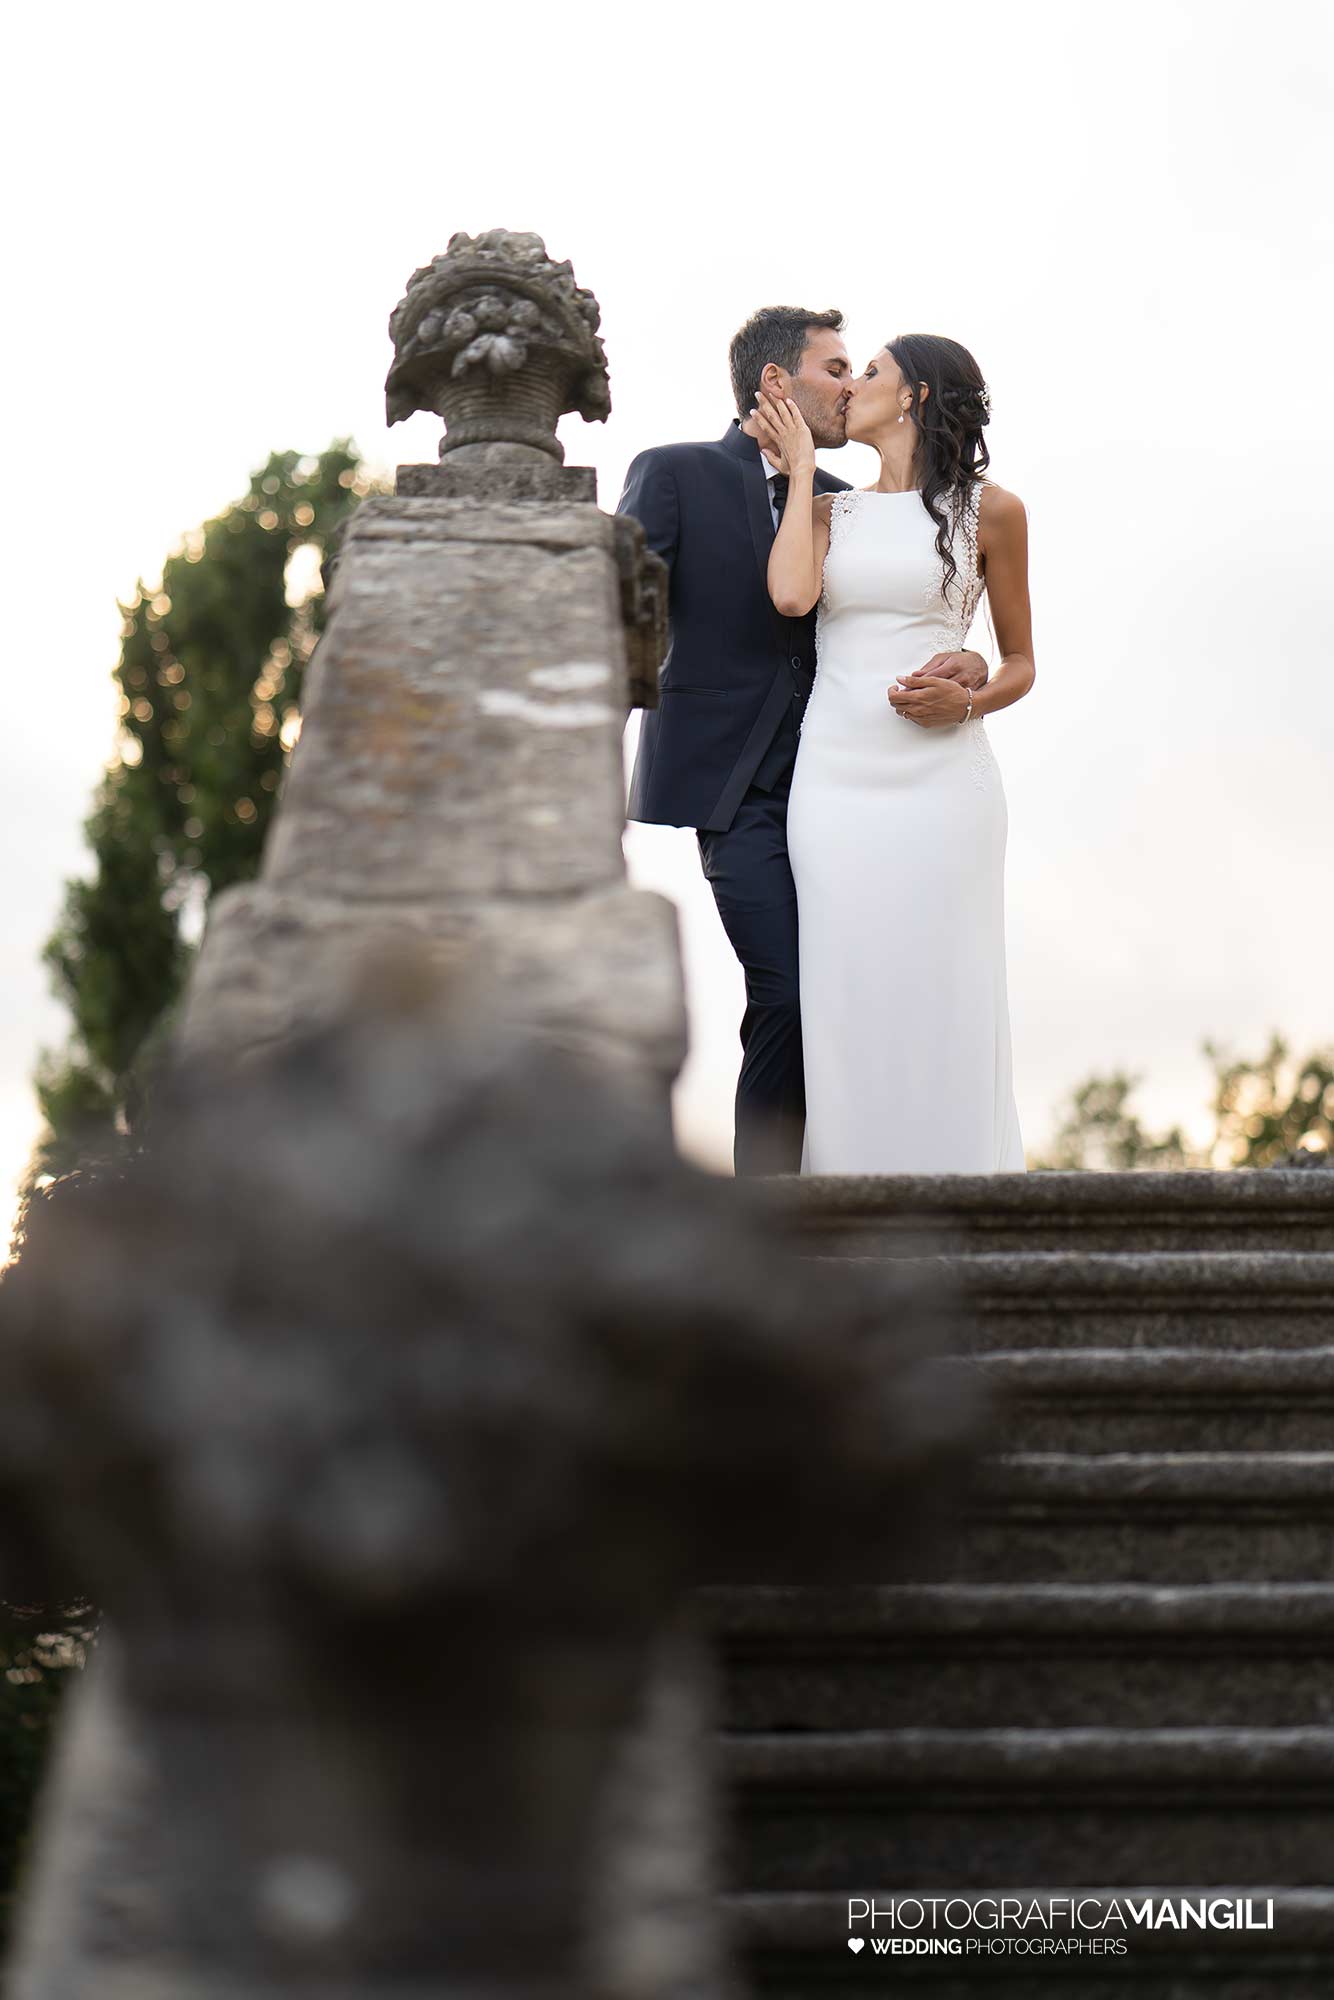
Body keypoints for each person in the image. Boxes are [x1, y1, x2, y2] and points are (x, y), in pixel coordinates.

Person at [618, 309, 989, 1175]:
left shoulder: (849, 508)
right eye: (836, 367)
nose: (853, 383)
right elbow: (615, 616)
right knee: (785, 989)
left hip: (843, 783)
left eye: (861, 369)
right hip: (733, 786)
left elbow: (898, 607)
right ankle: (770, 1220)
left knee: (848, 997)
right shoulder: (674, 472)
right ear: (777, 383)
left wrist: (967, 657)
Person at [757, 334, 1033, 1173]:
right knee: (848, 994)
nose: (852, 387)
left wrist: (972, 694)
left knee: (950, 992)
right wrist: (802, 470)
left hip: (945, 786)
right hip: (836, 783)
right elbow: (791, 594)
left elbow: (1022, 661)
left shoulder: (996, 511)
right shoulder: (826, 511)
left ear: (914, 396)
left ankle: (970, 1217)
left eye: (869, 372)